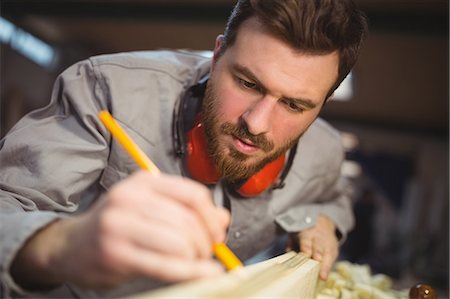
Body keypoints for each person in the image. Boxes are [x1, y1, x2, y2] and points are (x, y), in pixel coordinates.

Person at [0, 0, 368, 297]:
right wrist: (61, 246)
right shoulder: (106, 90)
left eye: (294, 105)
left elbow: (336, 198)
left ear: (324, 102)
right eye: (246, 82)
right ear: (218, 53)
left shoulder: (326, 151)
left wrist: (325, 221)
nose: (256, 124)